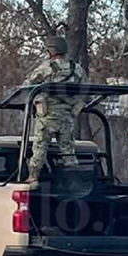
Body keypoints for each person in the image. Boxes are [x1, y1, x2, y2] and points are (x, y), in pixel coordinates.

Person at [22, 36, 88, 187]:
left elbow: (27, 86)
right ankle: (72, 182)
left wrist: (36, 100)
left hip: (47, 116)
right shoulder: (77, 69)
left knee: (39, 148)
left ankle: (33, 178)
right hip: (67, 117)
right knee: (68, 151)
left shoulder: (46, 68)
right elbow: (85, 91)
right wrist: (74, 109)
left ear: (52, 51)